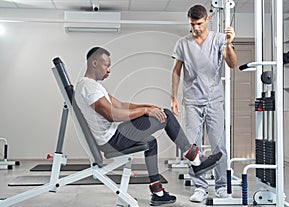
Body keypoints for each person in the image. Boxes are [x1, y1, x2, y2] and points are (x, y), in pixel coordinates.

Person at [74, 46, 223, 206]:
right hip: (112, 140)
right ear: (94, 63)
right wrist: (145, 111)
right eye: (106, 65)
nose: (109, 70)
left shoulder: (94, 86)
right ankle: (195, 160)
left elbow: (121, 105)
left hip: (112, 136)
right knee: (165, 116)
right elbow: (112, 115)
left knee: (150, 142)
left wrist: (149, 107)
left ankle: (158, 193)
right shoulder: (88, 87)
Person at [171, 4, 237, 203]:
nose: (196, 28)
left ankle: (221, 186)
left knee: (219, 145)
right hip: (191, 101)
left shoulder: (218, 39)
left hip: (214, 101)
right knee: (192, 148)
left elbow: (232, 64)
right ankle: (200, 187)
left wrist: (228, 44)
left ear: (207, 19)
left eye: (199, 23)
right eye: (192, 24)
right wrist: (173, 97)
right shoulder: (182, 43)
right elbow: (176, 71)